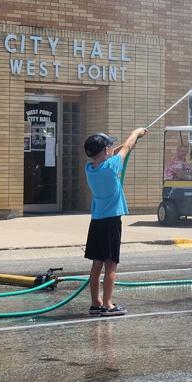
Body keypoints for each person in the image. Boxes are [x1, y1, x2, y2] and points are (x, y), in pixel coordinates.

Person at [84, 127, 148, 316]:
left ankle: (95, 303)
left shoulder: (89, 168)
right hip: (111, 222)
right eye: (109, 146)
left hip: (96, 222)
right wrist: (136, 133)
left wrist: (120, 147)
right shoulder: (112, 166)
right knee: (111, 264)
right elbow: (126, 147)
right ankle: (108, 304)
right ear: (105, 151)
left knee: (97, 264)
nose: (112, 148)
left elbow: (118, 150)